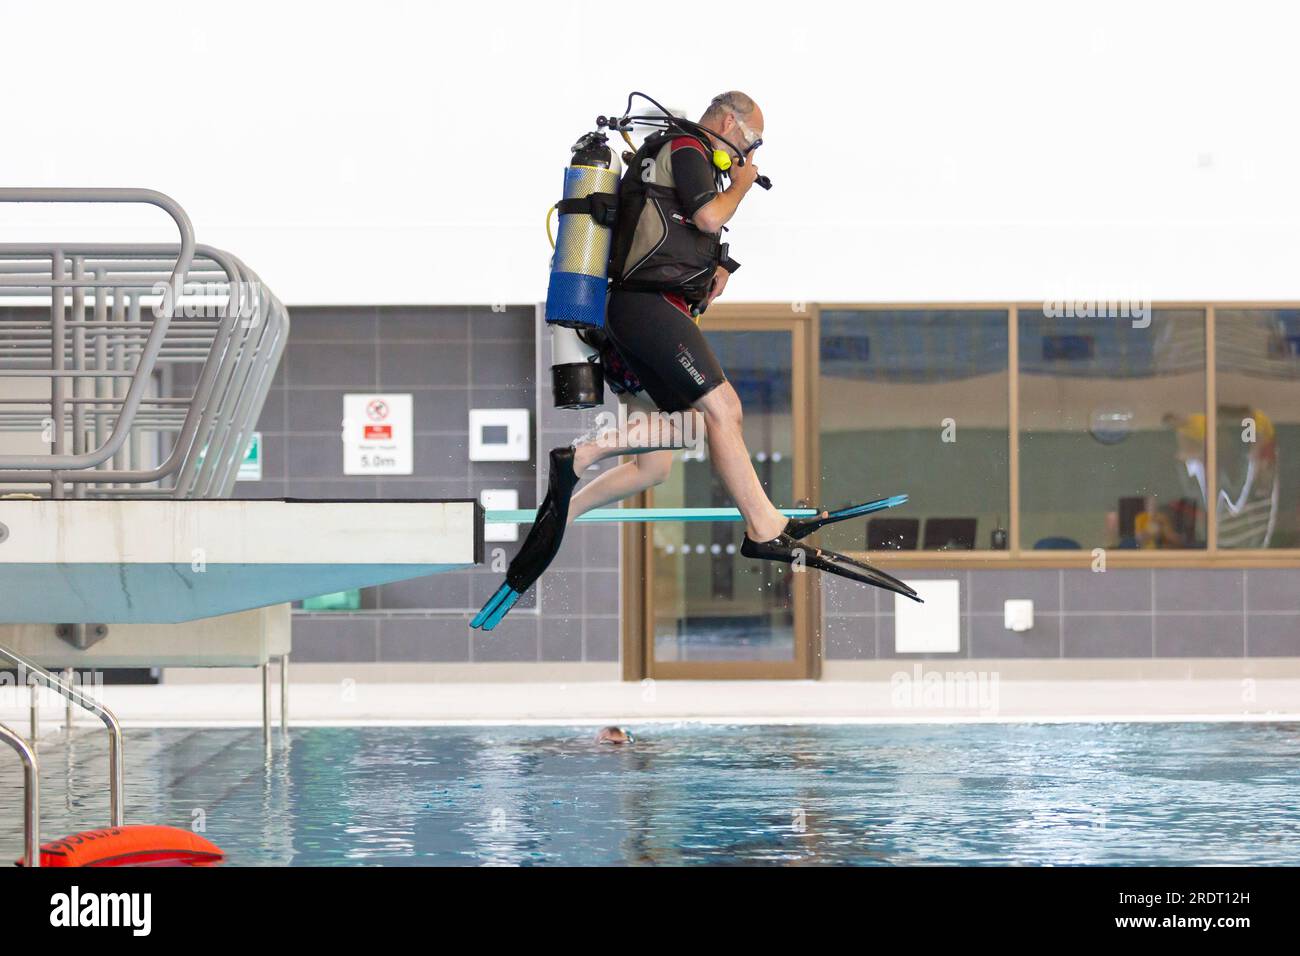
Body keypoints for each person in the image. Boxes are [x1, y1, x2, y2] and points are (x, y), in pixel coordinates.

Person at [472, 92, 917, 631]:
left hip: (642, 311)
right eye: (751, 141)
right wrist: (741, 188)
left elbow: (685, 236)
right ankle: (763, 526)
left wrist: (713, 276)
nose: (751, 153)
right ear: (729, 122)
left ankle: (570, 493)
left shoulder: (678, 163)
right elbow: (708, 216)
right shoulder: (687, 147)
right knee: (723, 408)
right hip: (643, 308)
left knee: (668, 449)